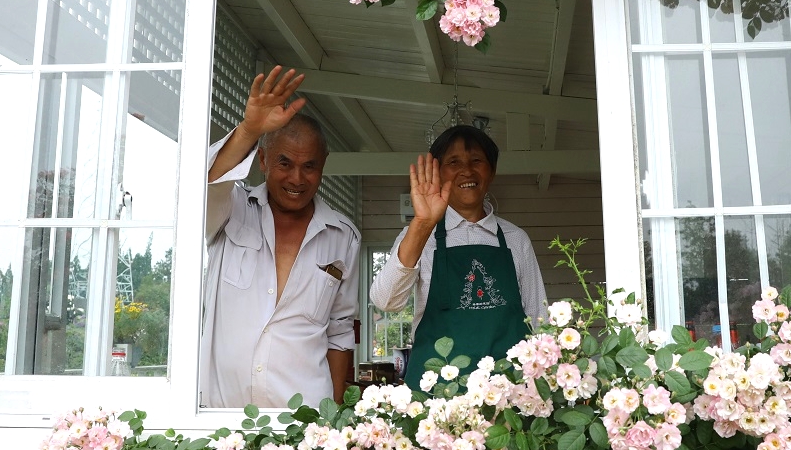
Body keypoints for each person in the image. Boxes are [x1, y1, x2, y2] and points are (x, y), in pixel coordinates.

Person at [202, 66, 359, 408]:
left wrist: (330, 416)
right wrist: (249, 130)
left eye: (310, 166)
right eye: (285, 163)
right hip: (223, 419)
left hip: (304, 421)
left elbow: (340, 330)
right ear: (263, 159)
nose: (297, 178)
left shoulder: (343, 236)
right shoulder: (231, 210)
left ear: (324, 165)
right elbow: (209, 182)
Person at [370, 124, 547, 390]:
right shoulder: (419, 234)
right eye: (454, 162)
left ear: (492, 171)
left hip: (506, 394)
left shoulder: (515, 239)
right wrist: (422, 224)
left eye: (477, 160)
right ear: (438, 174)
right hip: (435, 397)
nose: (467, 170)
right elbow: (385, 301)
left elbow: (538, 320)